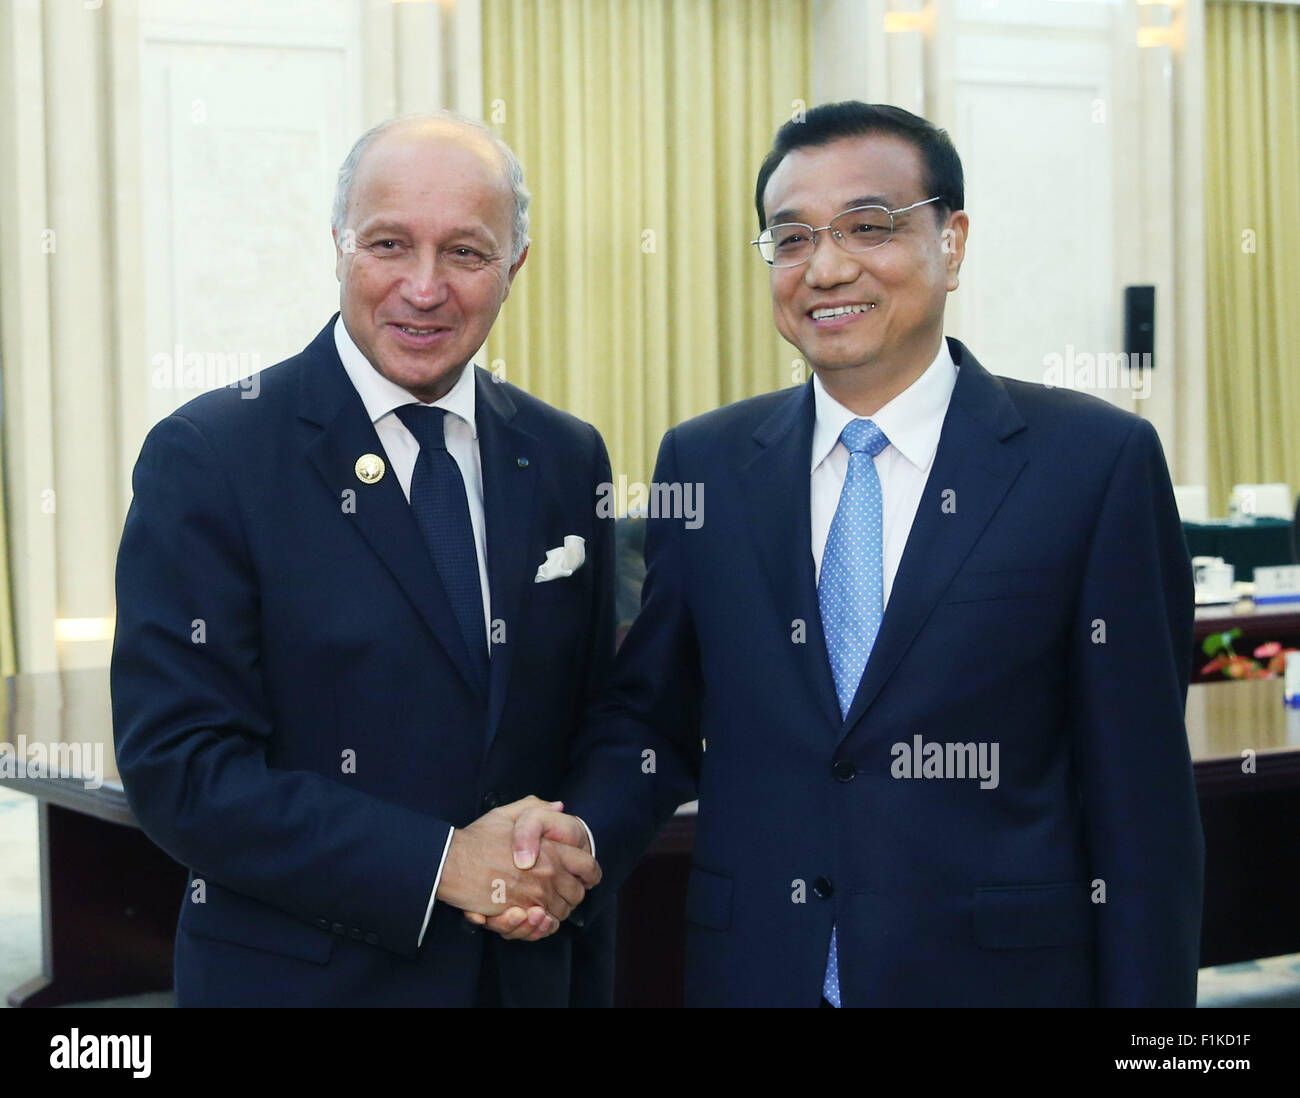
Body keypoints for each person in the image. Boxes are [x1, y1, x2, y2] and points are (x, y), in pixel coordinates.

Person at [504, 101, 1203, 1007]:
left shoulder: (1092, 464)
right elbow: (652, 717)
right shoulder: (706, 462)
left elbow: (1141, 802)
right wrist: (575, 841)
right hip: (757, 975)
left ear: (950, 244)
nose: (826, 267)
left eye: (869, 227)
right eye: (790, 239)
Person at [111, 113, 612, 1007]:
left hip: (530, 979)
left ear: (515, 268)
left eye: (465, 252)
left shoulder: (566, 455)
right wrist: (446, 865)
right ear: (338, 246)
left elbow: (606, 716)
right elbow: (181, 769)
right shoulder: (213, 455)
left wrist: (554, 860)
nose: (424, 288)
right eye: (389, 244)